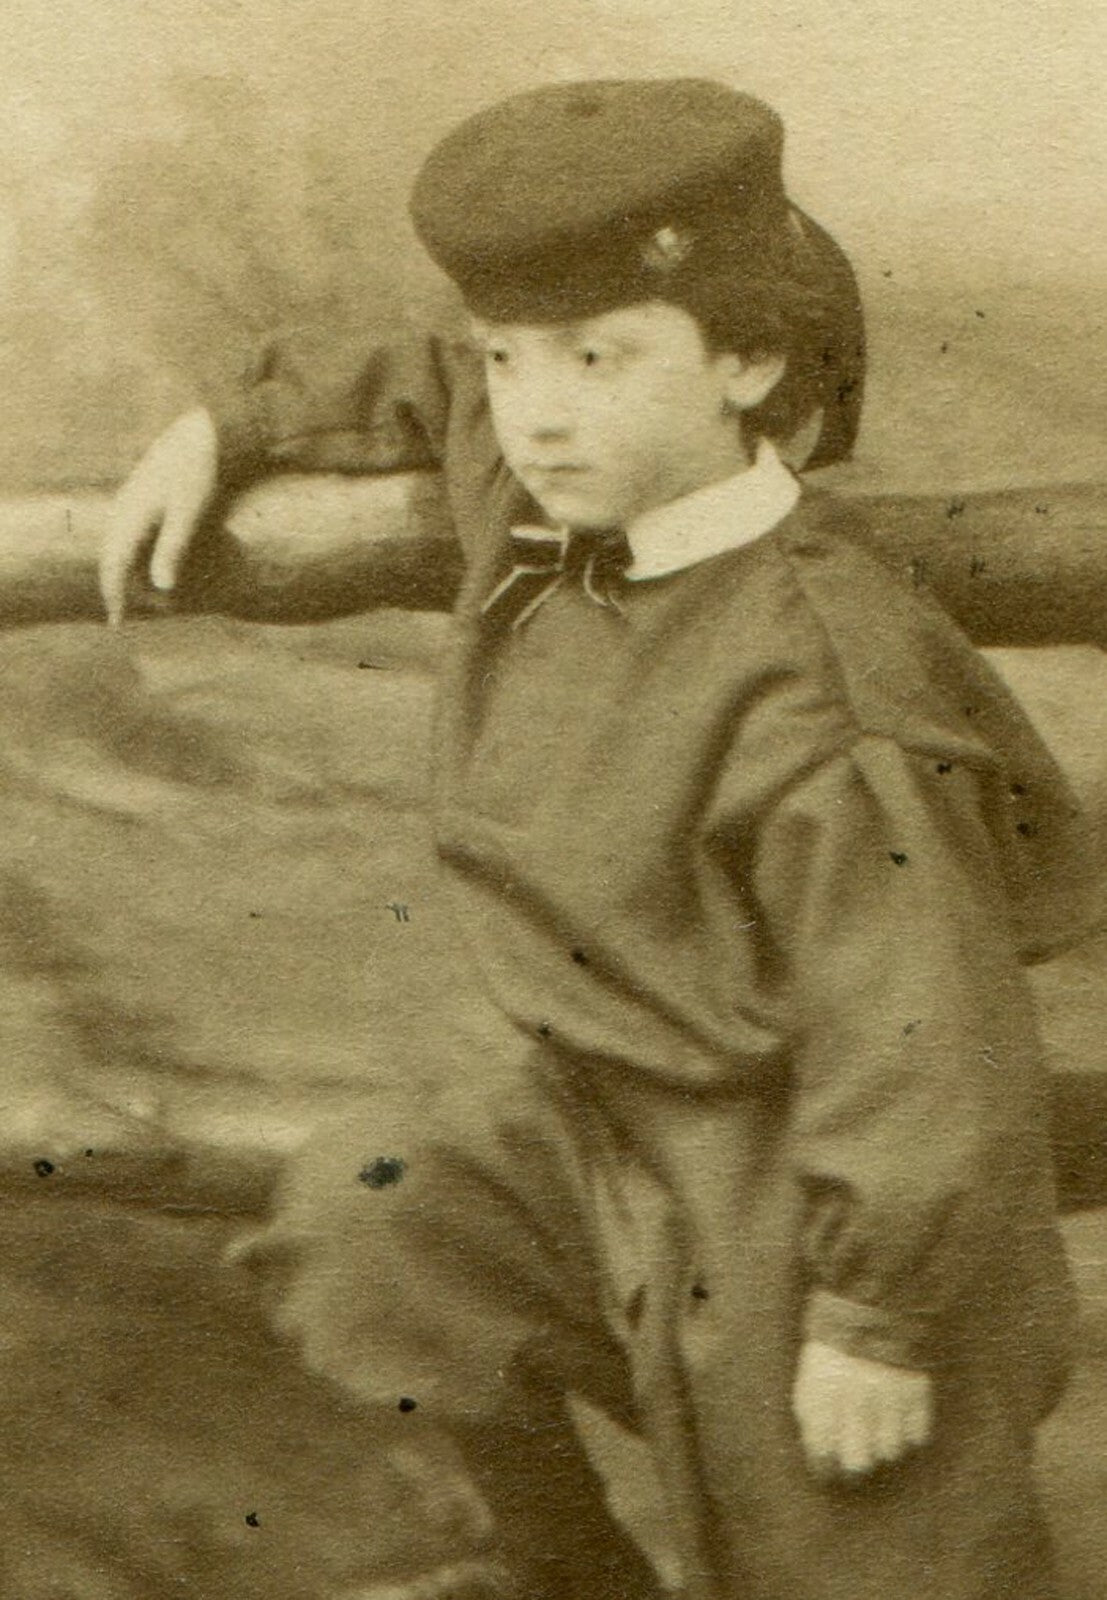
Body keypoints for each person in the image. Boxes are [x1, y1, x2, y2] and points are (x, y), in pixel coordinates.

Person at [101, 79, 1099, 1600]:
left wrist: (875, 1323)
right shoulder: (557, 490)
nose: (542, 407)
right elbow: (438, 370)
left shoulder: (826, 689)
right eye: (521, 359)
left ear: (748, 362)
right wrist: (222, 424)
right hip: (594, 1117)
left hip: (815, 1163)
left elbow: (921, 1043)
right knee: (376, 1223)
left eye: (601, 359)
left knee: (857, 1534)